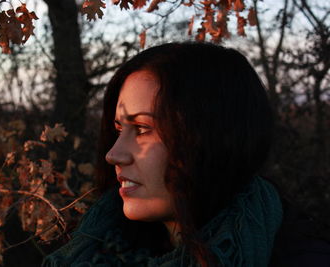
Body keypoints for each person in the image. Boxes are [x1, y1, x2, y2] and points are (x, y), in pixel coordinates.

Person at [42, 42, 330, 266]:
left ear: (211, 138)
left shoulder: (300, 256)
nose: (114, 154)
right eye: (119, 130)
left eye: (142, 128)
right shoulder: (93, 246)